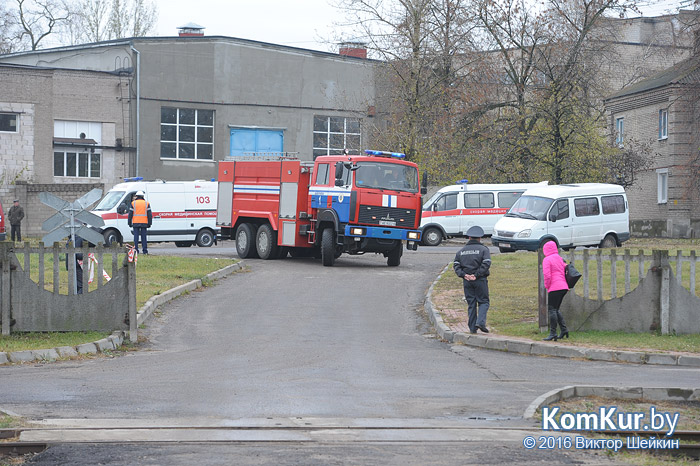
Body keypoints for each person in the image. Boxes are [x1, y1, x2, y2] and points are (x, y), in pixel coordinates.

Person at [453, 225, 492, 334]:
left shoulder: (461, 251)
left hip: (467, 281)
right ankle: (480, 322)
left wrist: (464, 275)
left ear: (469, 237)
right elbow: (486, 263)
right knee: (484, 302)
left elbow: (456, 266)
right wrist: (476, 275)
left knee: (471, 303)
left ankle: (472, 328)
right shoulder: (484, 250)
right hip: (480, 280)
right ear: (480, 238)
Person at [542, 240, 569, 341]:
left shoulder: (547, 260)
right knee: (556, 309)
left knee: (552, 309)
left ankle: (553, 333)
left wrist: (547, 286)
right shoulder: (560, 258)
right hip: (564, 287)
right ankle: (564, 330)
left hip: (554, 287)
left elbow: (547, 275)